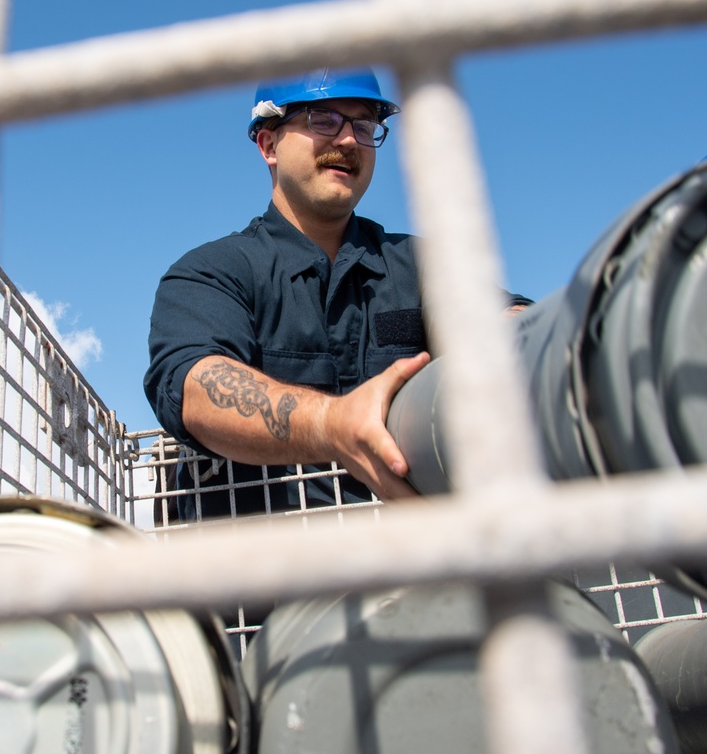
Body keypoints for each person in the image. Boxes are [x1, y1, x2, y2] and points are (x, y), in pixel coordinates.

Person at [144, 67, 529, 522]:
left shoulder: (422, 266)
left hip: (420, 568)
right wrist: (331, 423)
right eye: (322, 120)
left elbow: (505, 322)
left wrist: (520, 336)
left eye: (364, 126)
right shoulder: (212, 273)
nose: (348, 141)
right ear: (268, 144)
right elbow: (195, 385)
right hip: (263, 580)